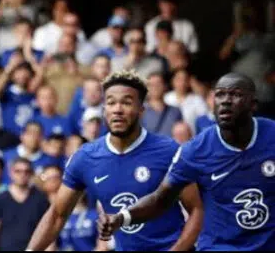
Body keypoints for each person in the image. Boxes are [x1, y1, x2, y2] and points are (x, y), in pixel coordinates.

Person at [26, 70, 203, 251]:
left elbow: (197, 209)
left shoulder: (169, 151)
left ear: (142, 110)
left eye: (127, 102)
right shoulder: (85, 158)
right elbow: (57, 215)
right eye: (111, 102)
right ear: (104, 110)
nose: (118, 109)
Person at [99, 72, 275, 250]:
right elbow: (160, 199)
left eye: (235, 94)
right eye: (220, 94)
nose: (226, 101)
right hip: (220, 246)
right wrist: (122, 218)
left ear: (253, 105)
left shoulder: (272, 136)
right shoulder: (195, 150)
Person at [0, 157, 49, 251]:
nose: (22, 174)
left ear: (31, 173)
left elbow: (48, 232)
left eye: (26, 171)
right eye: (18, 171)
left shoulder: (41, 200)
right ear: (11, 173)